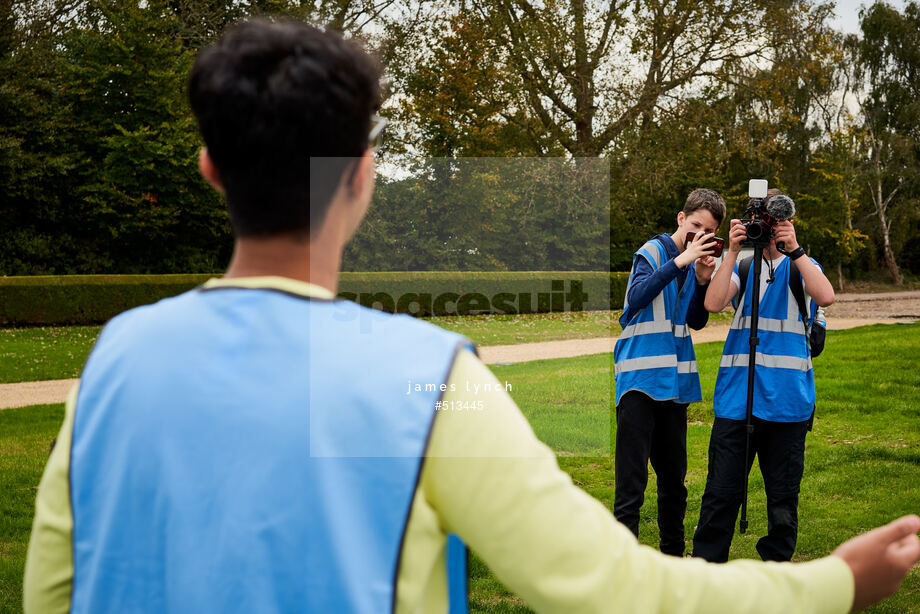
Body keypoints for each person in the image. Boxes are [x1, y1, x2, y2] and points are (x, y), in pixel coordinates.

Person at [23, 18, 920, 614]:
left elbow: (53, 592)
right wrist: (831, 584)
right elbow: (606, 583)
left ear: (211, 169)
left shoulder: (113, 361)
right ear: (365, 176)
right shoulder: (433, 378)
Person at [692, 191, 835, 563]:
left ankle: (776, 572)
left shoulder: (801, 266)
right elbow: (712, 303)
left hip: (787, 405)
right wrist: (733, 252)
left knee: (782, 500)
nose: (765, 230)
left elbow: (826, 295)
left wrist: (795, 249)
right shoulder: (742, 266)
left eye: (772, 223)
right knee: (720, 494)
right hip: (738, 402)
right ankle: (707, 571)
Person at [613, 189, 723, 556]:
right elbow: (636, 298)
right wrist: (682, 261)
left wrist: (703, 278)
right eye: (694, 226)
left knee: (674, 484)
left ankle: (673, 560)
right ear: (681, 218)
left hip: (674, 385)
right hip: (639, 383)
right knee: (632, 485)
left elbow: (695, 320)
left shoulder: (694, 262)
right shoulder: (654, 251)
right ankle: (622, 566)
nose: (697, 236)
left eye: (706, 231)